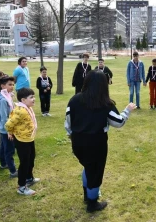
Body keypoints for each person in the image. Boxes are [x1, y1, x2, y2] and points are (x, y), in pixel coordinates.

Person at [65, 70, 136, 213]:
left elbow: (68, 122)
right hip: (96, 144)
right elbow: (118, 122)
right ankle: (92, 203)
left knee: (88, 166)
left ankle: (87, 195)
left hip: (78, 142)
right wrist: (127, 110)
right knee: (95, 173)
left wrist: (72, 135)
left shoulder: (74, 100)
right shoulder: (104, 104)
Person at [5, 88, 40, 196]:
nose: (34, 99)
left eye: (34, 96)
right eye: (31, 97)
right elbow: (8, 124)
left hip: (29, 138)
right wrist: (10, 132)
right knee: (24, 162)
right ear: (23, 100)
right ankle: (21, 186)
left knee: (31, 158)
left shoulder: (27, 107)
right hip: (22, 140)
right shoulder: (20, 111)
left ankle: (29, 178)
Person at [0, 76, 17, 178]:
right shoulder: (3, 100)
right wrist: (9, 131)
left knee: (4, 146)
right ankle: (13, 171)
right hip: (6, 129)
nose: (12, 86)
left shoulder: (7, 96)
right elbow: (4, 118)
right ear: (2, 86)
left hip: (5, 128)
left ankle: (3, 164)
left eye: (13, 84)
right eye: (9, 85)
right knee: (9, 150)